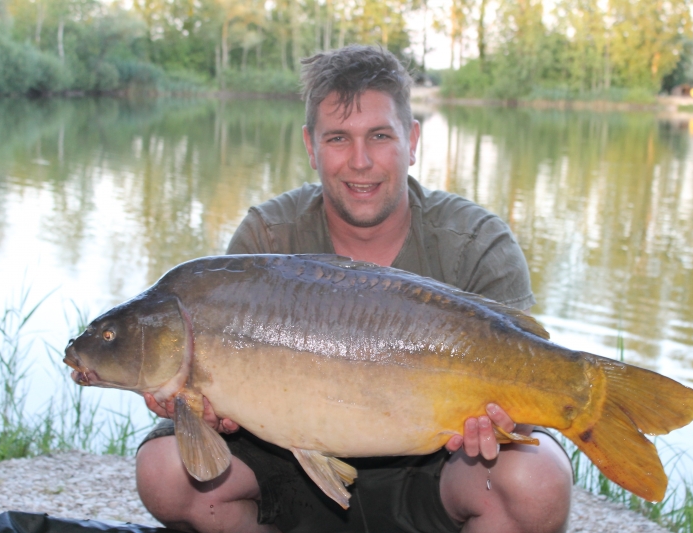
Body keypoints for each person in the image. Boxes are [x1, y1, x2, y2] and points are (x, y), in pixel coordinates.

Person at [136, 45, 572, 533]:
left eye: (380, 136)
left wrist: (506, 424)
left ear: (412, 140)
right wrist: (204, 413)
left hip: (439, 472)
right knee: (164, 473)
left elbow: (530, 391)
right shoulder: (267, 239)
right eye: (338, 138)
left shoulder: (476, 243)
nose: (360, 161)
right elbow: (215, 409)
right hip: (290, 467)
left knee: (538, 482)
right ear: (310, 146)